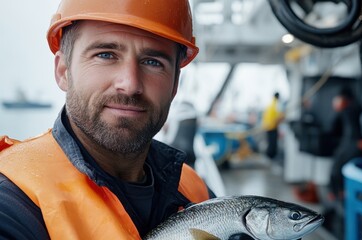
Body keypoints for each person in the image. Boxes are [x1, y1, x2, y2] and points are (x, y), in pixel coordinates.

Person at [0, 0, 214, 239]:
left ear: (175, 84)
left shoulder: (195, 188)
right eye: (105, 55)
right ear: (63, 71)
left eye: (153, 62)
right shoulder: (11, 203)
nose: (130, 84)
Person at [262, 92, 285, 161]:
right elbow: (279, 116)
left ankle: (269, 156)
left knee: (270, 142)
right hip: (272, 127)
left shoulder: (271, 104)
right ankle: (271, 157)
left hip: (268, 126)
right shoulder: (276, 104)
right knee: (273, 144)